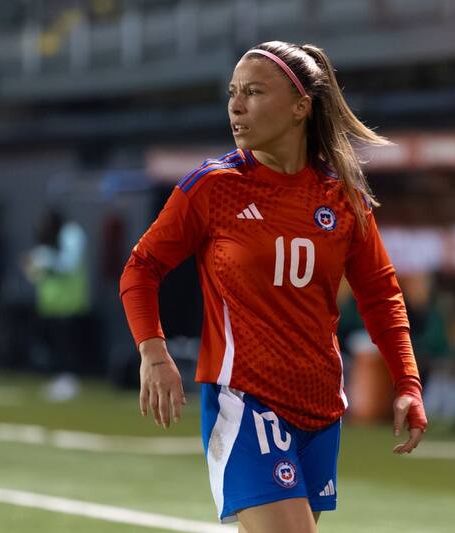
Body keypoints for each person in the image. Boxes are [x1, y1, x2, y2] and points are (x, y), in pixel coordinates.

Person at [120, 41, 427, 531]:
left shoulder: (342, 196)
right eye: (232, 93)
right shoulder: (213, 187)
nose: (236, 106)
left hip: (320, 404)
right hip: (245, 400)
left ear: (301, 106)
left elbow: (381, 294)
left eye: (254, 92)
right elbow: (141, 267)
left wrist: (408, 382)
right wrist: (153, 354)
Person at [22, 206, 89, 401]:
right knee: (54, 342)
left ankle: (69, 380)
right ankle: (61, 378)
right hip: (51, 302)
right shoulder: (47, 243)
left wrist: (44, 261)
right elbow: (35, 273)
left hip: (69, 300)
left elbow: (68, 264)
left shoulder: (71, 234)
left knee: (67, 342)